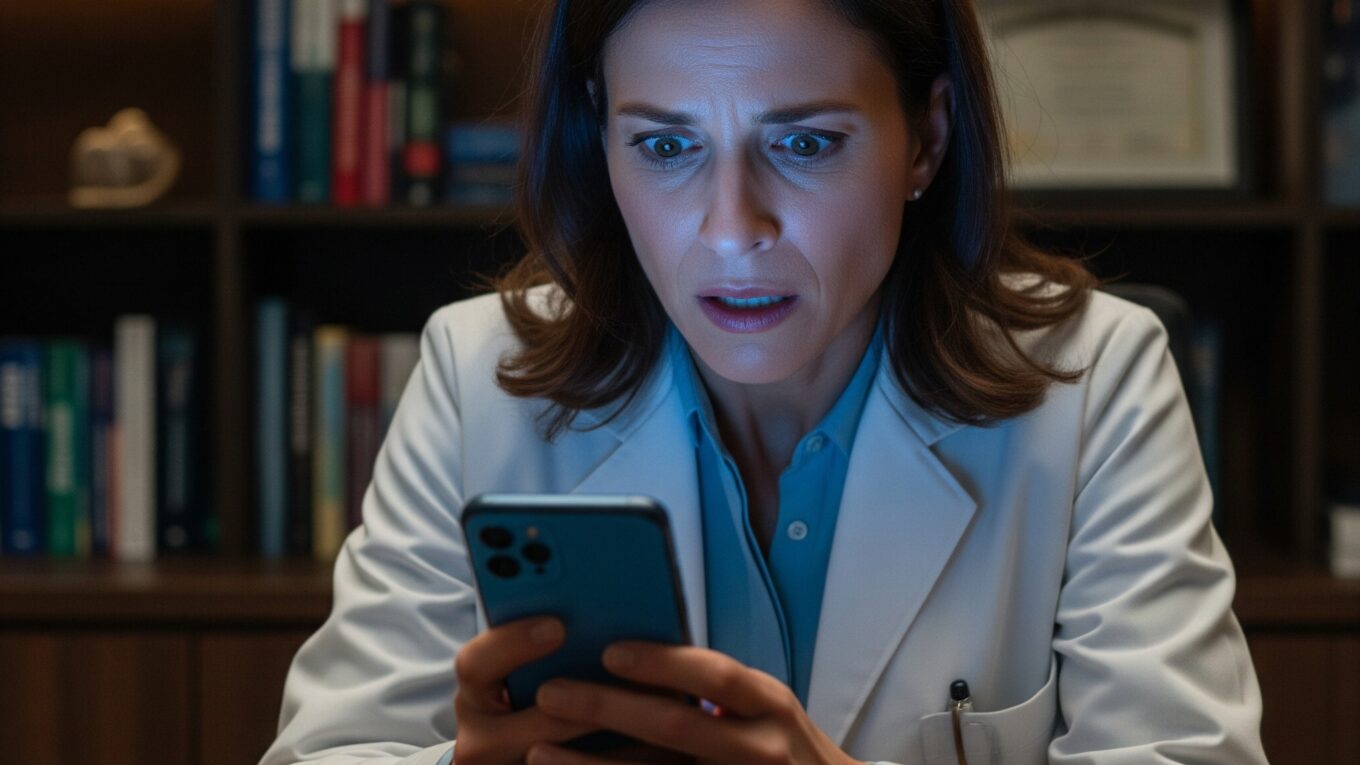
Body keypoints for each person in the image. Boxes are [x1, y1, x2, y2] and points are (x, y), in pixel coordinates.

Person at [262, 0, 1268, 763]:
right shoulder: (475, 374)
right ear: (601, 138)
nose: (733, 227)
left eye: (804, 142)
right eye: (665, 145)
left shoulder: (1098, 379)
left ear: (926, 137)